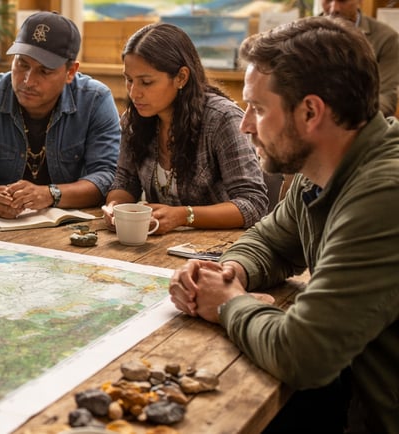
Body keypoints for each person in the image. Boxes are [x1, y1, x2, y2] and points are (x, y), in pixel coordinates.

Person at [168, 17, 399, 433]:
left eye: (257, 108)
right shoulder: (320, 169)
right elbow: (270, 240)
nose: (245, 125)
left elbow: (303, 354)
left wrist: (225, 303)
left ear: (310, 111)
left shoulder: (385, 194)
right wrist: (229, 272)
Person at [0, 11, 120, 219]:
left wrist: (51, 194)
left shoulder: (95, 100)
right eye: (22, 64)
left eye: (44, 71)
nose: (27, 81)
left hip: (73, 229)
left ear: (70, 72)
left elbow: (108, 177)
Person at [102, 23, 268, 234]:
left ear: (181, 77)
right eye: (129, 80)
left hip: (219, 248)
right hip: (158, 246)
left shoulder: (223, 119)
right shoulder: (134, 120)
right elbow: (125, 181)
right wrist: (115, 207)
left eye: (146, 82)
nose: (134, 93)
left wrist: (184, 216)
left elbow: (253, 204)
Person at [322, 0, 399, 116]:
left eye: (343, 1)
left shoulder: (386, 39)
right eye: (327, 0)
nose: (334, 9)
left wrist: (345, 121)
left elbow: (385, 97)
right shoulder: (299, 35)